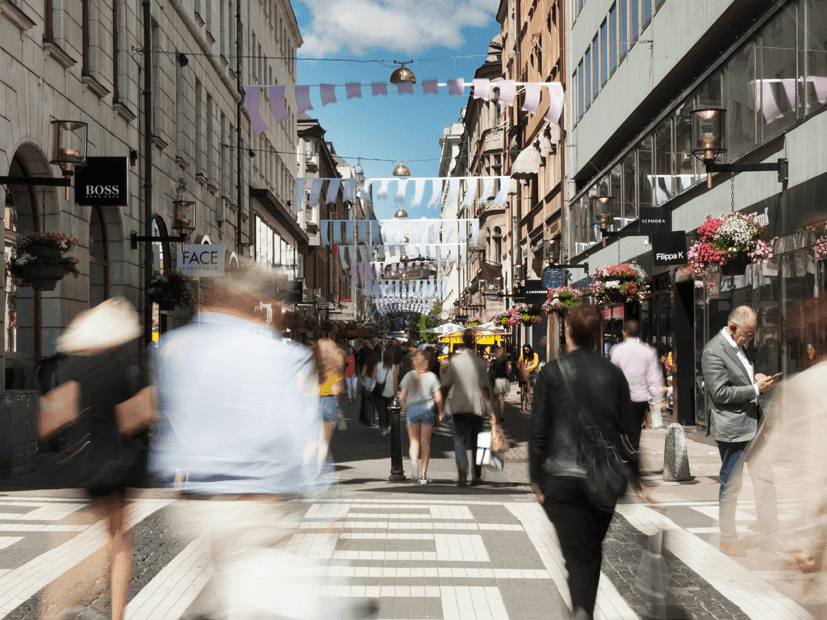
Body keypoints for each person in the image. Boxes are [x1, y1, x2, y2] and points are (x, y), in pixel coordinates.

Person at [151, 259, 352, 620]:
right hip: (254, 504)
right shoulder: (280, 356)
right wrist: (329, 507)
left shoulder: (174, 347)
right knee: (255, 599)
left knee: (226, 587)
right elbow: (299, 436)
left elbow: (167, 418)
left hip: (196, 504)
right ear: (258, 302)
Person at [40, 298, 152, 620]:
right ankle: (115, 615)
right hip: (120, 465)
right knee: (118, 545)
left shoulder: (72, 370)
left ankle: (51, 611)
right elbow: (141, 415)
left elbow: (49, 420)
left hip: (86, 467)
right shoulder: (128, 369)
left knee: (96, 543)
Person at [530, 304, 640, 620]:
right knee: (589, 553)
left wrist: (536, 480)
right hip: (602, 478)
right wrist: (635, 472)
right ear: (598, 334)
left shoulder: (550, 373)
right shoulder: (614, 374)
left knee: (576, 555)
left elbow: (538, 433)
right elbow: (629, 430)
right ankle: (582, 611)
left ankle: (581, 612)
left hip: (561, 478)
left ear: (566, 332)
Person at [701, 305, 779, 557]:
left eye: (753, 333)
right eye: (747, 333)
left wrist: (755, 378)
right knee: (732, 484)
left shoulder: (739, 347)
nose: (750, 338)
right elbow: (720, 392)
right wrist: (756, 390)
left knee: (765, 480)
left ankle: (769, 535)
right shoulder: (713, 351)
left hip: (753, 425)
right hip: (733, 429)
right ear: (733, 327)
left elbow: (739, 380)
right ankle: (727, 538)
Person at [442, 329, 493, 486]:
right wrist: (491, 410)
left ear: (462, 341)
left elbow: (447, 384)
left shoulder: (455, 362)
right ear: (474, 342)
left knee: (460, 440)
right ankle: (476, 476)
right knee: (477, 441)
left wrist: (441, 402)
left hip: (459, 406)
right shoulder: (480, 362)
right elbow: (485, 388)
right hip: (477, 406)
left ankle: (462, 473)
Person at [609, 320, 666, 449]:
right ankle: (633, 453)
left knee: (622, 430)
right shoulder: (648, 351)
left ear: (624, 332)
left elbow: (612, 375)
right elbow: (654, 377)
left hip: (622, 398)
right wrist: (658, 398)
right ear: (639, 333)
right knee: (635, 432)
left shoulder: (616, 350)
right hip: (640, 398)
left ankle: (625, 456)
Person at [399, 350, 444, 484]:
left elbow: (402, 396)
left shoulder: (409, 376)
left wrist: (403, 408)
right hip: (427, 409)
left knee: (414, 441)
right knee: (426, 443)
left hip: (412, 409)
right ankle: (423, 475)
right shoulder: (432, 377)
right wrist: (440, 412)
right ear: (426, 363)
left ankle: (414, 465)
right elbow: (439, 398)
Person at [315, 338, 345, 442]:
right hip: (329, 400)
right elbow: (339, 385)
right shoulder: (336, 361)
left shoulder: (314, 360)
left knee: (314, 441)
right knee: (324, 443)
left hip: (313, 400)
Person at [375, 346, 399, 436]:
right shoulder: (393, 367)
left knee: (380, 411)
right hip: (390, 391)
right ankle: (387, 427)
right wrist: (395, 392)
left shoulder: (378, 365)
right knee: (388, 410)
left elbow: (374, 377)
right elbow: (395, 381)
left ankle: (382, 429)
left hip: (380, 391)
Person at [490, 346, 511, 423]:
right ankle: (502, 415)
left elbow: (492, 373)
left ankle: (495, 415)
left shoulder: (494, 362)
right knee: (502, 398)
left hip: (497, 381)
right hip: (504, 381)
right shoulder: (505, 362)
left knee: (496, 399)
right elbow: (508, 372)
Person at [517, 344, 540, 410]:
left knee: (534, 383)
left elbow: (535, 363)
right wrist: (520, 368)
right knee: (527, 389)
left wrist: (529, 368)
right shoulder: (522, 356)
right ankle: (529, 403)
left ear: (530, 349)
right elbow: (519, 363)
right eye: (524, 350)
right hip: (525, 373)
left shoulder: (535, 355)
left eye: (527, 350)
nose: (526, 351)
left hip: (532, 372)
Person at [361, 350, 380, 425]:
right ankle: (373, 419)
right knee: (374, 404)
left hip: (367, 383)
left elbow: (362, 374)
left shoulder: (367, 364)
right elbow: (374, 376)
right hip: (374, 385)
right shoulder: (378, 364)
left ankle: (368, 419)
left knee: (368, 404)